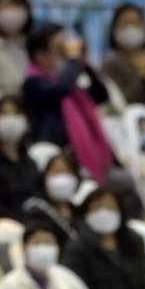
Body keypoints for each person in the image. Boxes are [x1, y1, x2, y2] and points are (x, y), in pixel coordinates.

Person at [23, 23, 115, 186]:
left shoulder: (72, 83)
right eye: (59, 49)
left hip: (84, 156)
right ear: (40, 55)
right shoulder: (34, 84)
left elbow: (101, 96)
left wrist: (84, 65)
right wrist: (73, 60)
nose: (64, 54)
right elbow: (59, 90)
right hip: (55, 158)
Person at [61, 187, 145, 289]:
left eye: (110, 207)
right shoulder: (77, 248)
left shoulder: (134, 241)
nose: (104, 213)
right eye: (97, 208)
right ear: (87, 214)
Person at [0, 218, 93, 289]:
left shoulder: (68, 280)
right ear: (24, 248)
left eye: (48, 243)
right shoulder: (9, 285)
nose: (43, 248)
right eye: (37, 243)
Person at [100, 3, 145, 106]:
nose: (131, 28)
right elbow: (119, 102)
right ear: (114, 29)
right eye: (125, 24)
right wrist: (143, 78)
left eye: (136, 23)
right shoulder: (111, 64)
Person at [21, 151, 86, 240]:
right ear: (45, 178)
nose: (62, 178)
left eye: (67, 172)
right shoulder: (36, 209)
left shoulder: (81, 214)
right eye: (56, 171)